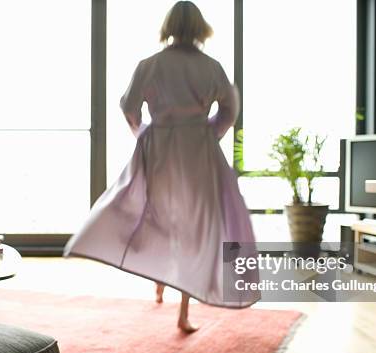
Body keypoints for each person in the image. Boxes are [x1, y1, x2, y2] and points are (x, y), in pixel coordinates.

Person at [64, 1, 259, 333]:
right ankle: (183, 310)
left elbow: (129, 105)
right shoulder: (212, 67)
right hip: (198, 149)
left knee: (159, 212)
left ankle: (161, 279)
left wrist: (142, 131)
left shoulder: (150, 64)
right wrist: (210, 131)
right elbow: (230, 109)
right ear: (201, 28)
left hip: (160, 147)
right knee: (195, 225)